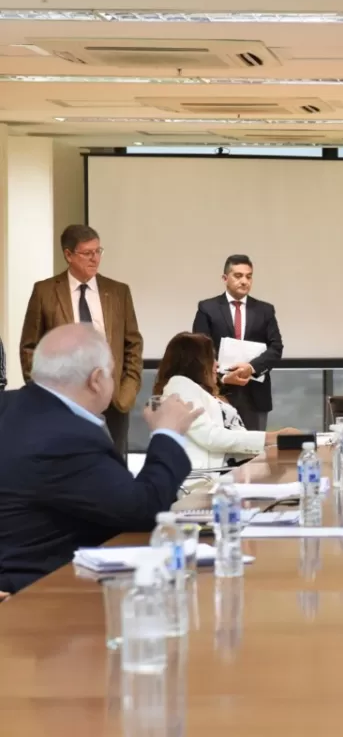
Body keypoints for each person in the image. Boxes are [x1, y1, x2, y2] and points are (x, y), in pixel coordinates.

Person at [0, 325, 199, 594]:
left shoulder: (13, 407)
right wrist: (168, 433)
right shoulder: (66, 436)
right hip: (47, 594)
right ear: (96, 379)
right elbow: (143, 511)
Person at [19, 224, 142, 459]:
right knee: (67, 465)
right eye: (87, 253)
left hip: (112, 399)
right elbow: (29, 347)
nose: (95, 259)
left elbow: (133, 344)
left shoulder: (118, 292)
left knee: (113, 468)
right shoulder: (45, 291)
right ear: (68, 255)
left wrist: (126, 392)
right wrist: (44, 393)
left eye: (98, 251)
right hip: (63, 399)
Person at [155, 332, 297, 472]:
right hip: (213, 477)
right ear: (195, 362)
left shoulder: (205, 393)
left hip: (239, 469)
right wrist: (272, 437)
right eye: (212, 358)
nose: (217, 364)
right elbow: (210, 437)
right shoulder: (179, 385)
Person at [191, 255, 283, 431]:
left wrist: (251, 367)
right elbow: (199, 351)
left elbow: (276, 348)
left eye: (249, 276)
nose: (244, 281)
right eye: (238, 275)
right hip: (217, 391)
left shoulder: (265, 310)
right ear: (225, 278)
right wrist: (222, 377)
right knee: (221, 453)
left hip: (255, 395)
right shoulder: (207, 308)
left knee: (254, 453)